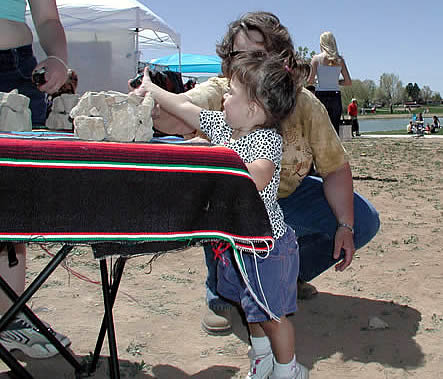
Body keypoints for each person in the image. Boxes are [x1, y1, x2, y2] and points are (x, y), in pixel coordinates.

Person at [136, 11, 380, 341]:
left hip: (288, 196)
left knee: (363, 220)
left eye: (260, 52)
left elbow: (335, 167)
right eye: (240, 54)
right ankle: (221, 293)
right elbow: (181, 113)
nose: (250, 62)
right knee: (224, 198)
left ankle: (287, 275)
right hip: (231, 204)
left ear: (280, 59)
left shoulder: (304, 102)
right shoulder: (224, 93)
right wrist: (150, 103)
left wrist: (346, 226)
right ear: (230, 60)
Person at [135, 48, 309, 379]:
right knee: (251, 307)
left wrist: (213, 153)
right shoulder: (226, 128)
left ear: (254, 109)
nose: (224, 97)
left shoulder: (266, 140)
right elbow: (186, 108)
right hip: (238, 245)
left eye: (231, 92)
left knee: (273, 314)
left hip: (266, 247)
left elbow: (256, 177)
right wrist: (152, 89)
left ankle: (289, 370)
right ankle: (262, 359)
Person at [0, 0, 70, 358]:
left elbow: (47, 17)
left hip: (13, 68)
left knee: (11, 204)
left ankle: (9, 319)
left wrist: (58, 57)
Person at [307, 31, 352, 135]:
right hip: (335, 95)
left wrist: (318, 80)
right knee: (334, 130)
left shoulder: (316, 59)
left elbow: (310, 81)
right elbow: (348, 82)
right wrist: (336, 81)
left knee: (320, 128)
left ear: (322, 43)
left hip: (321, 95)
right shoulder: (339, 60)